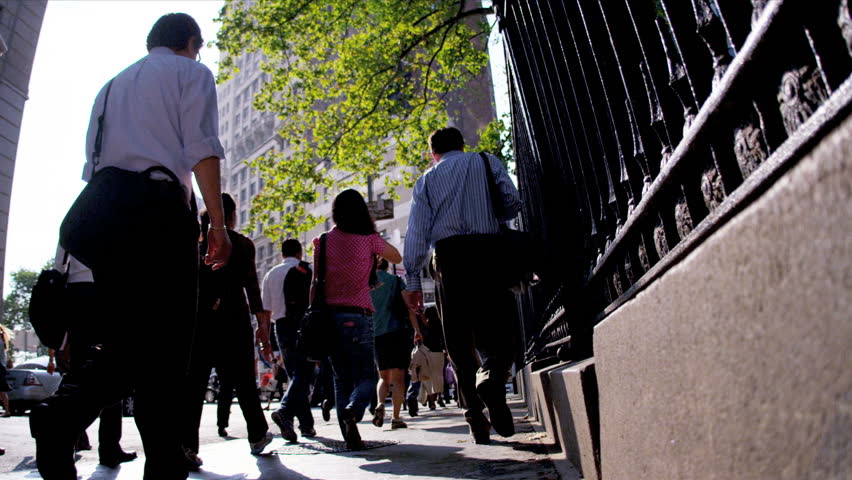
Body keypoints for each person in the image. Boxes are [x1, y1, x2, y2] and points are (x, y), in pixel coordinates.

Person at [30, 13, 232, 480]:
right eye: (198, 47)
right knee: (167, 343)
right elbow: (201, 146)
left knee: (135, 340)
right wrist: (215, 222)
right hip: (156, 213)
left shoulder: (111, 85)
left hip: (101, 215)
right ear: (190, 42)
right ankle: (97, 431)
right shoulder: (191, 72)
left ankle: (143, 447)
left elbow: (93, 164)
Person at [402, 127, 522, 445]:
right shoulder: (486, 161)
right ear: (463, 145)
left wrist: (412, 280)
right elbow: (511, 203)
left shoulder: (426, 180)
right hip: (488, 250)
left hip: (449, 258)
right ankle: (493, 377)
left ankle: (474, 418)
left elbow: (417, 231)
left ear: (433, 154)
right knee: (498, 326)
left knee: (458, 340)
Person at [183, 194, 273, 468]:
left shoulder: (193, 245)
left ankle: (187, 445)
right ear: (231, 215)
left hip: (199, 321)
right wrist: (263, 326)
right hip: (235, 320)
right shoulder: (243, 244)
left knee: (195, 384)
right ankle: (257, 435)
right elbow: (252, 286)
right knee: (244, 381)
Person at [320, 189, 402, 450]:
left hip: (330, 317)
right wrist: (374, 253)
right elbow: (397, 257)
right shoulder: (368, 239)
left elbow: (315, 282)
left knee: (341, 378)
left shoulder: (322, 241)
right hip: (359, 314)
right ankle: (354, 410)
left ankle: (350, 435)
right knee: (367, 375)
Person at [45, 247, 137, 468]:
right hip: (105, 288)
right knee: (113, 368)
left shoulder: (79, 214)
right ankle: (103, 446)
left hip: (79, 292)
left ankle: (70, 439)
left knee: (89, 371)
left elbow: (61, 259)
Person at [262, 239, 317, 443]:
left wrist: (265, 339)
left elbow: (266, 310)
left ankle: (305, 425)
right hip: (304, 325)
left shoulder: (271, 274)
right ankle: (285, 411)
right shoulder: (307, 270)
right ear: (300, 252)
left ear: (282, 253)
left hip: (281, 327)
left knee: (296, 374)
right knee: (304, 372)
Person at [370, 259, 421, 429]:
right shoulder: (396, 281)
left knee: (383, 377)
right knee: (399, 378)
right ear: (386, 266)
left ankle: (380, 404)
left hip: (377, 334)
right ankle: (396, 417)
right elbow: (409, 307)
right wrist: (417, 330)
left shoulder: (366, 284)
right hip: (397, 332)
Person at [0, 325, 12, 417]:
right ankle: (7, 410)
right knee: (2, 390)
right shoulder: (2, 341)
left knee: (2, 390)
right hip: (1, 367)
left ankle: (7, 411)